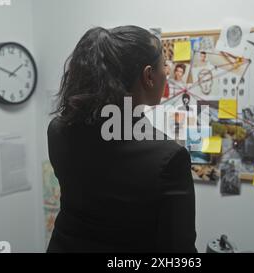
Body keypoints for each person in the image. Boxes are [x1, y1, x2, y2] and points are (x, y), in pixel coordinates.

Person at [47, 26, 197, 253]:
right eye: (163, 66)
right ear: (148, 76)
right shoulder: (168, 158)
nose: (167, 72)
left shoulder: (59, 131)